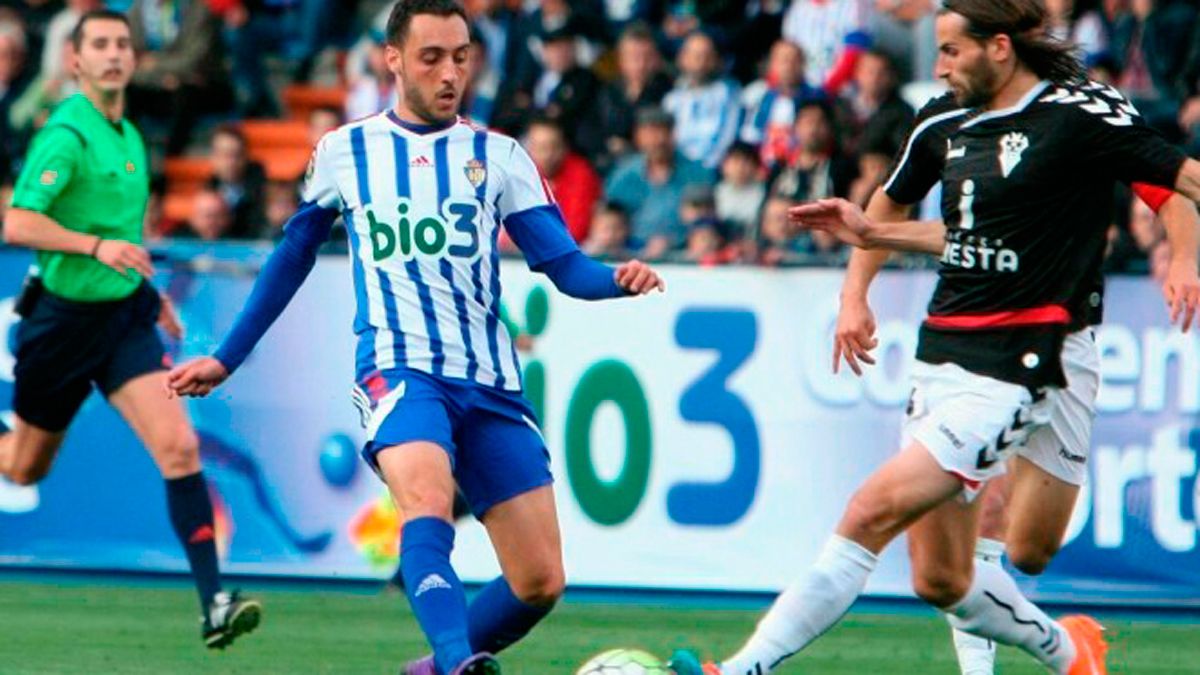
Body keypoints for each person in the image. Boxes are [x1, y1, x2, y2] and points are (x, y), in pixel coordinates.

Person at [671, 1, 1200, 673]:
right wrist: (855, 290)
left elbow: (1176, 182)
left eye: (951, 50)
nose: (939, 65)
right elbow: (928, 225)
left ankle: (741, 668)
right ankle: (1070, 653)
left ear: (1000, 47)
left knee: (1010, 542)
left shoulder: (1080, 113)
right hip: (946, 350)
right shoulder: (940, 122)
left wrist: (1184, 258)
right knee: (939, 576)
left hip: (1037, 353)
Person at [165, 2, 665, 674]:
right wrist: (228, 355)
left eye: (461, 56)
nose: (450, 71)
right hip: (399, 369)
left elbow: (564, 266)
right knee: (427, 499)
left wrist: (616, 278)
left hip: (488, 380)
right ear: (393, 59)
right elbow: (291, 257)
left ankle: (430, 669)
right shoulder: (346, 151)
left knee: (540, 579)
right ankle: (460, 662)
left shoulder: (501, 156)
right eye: (432, 56)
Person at [0, 9, 260, 649]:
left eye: (123, 44)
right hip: (60, 324)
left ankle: (214, 603)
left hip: (122, 319)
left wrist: (147, 292)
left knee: (181, 448)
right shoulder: (66, 134)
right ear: (76, 61)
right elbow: (18, 224)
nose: (114, 54)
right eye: (101, 45)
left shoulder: (130, 136)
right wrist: (93, 247)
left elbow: (125, 238)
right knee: (24, 467)